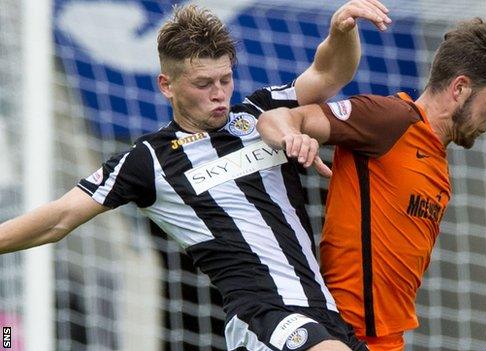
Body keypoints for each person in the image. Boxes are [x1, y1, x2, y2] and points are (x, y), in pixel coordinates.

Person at [0, 2, 393, 350]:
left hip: (323, 312)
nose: (219, 94)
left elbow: (328, 74)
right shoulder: (147, 160)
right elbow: (58, 219)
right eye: (203, 84)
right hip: (262, 317)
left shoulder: (261, 113)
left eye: (225, 80)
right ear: (166, 86)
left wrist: (342, 31)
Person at [256, 18, 486, 350]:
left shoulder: (439, 165)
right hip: (344, 333)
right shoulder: (389, 119)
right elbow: (277, 117)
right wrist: (294, 138)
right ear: (459, 88)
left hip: (388, 341)